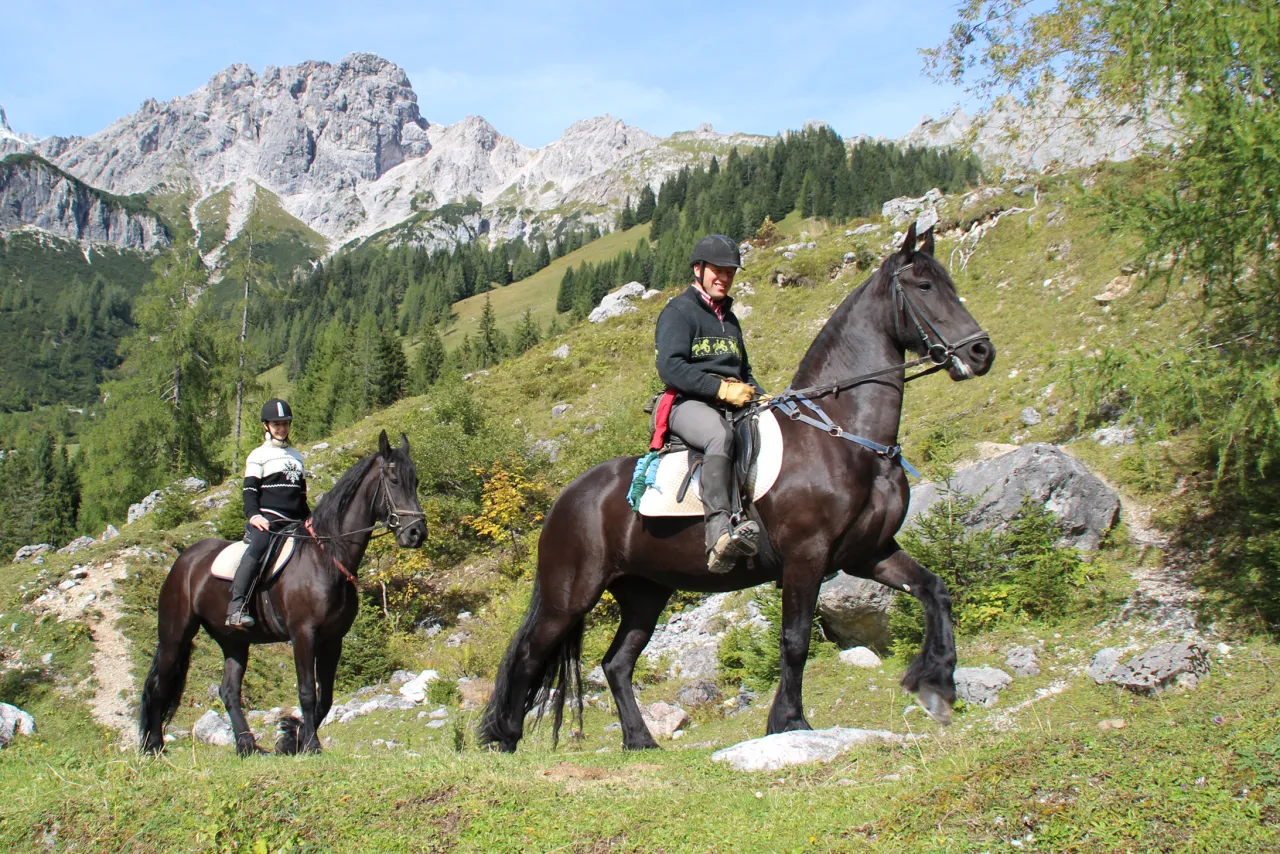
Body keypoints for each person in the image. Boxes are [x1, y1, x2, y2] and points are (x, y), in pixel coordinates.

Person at [654, 234, 763, 573]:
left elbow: (743, 370)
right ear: (698, 270)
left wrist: (760, 394)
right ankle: (718, 532)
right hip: (686, 404)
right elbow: (670, 368)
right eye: (718, 270)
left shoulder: (729, 320)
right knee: (720, 436)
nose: (725, 278)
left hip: (730, 401)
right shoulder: (679, 311)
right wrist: (720, 390)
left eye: (730, 272)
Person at [226, 398, 309, 628]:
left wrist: (311, 520)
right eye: (276, 424)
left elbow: (301, 496)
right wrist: (254, 515)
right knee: (259, 546)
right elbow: (249, 491)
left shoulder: (297, 456)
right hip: (268, 519)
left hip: (296, 521)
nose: (281, 428)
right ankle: (237, 607)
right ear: (266, 426)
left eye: (284, 424)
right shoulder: (258, 455)